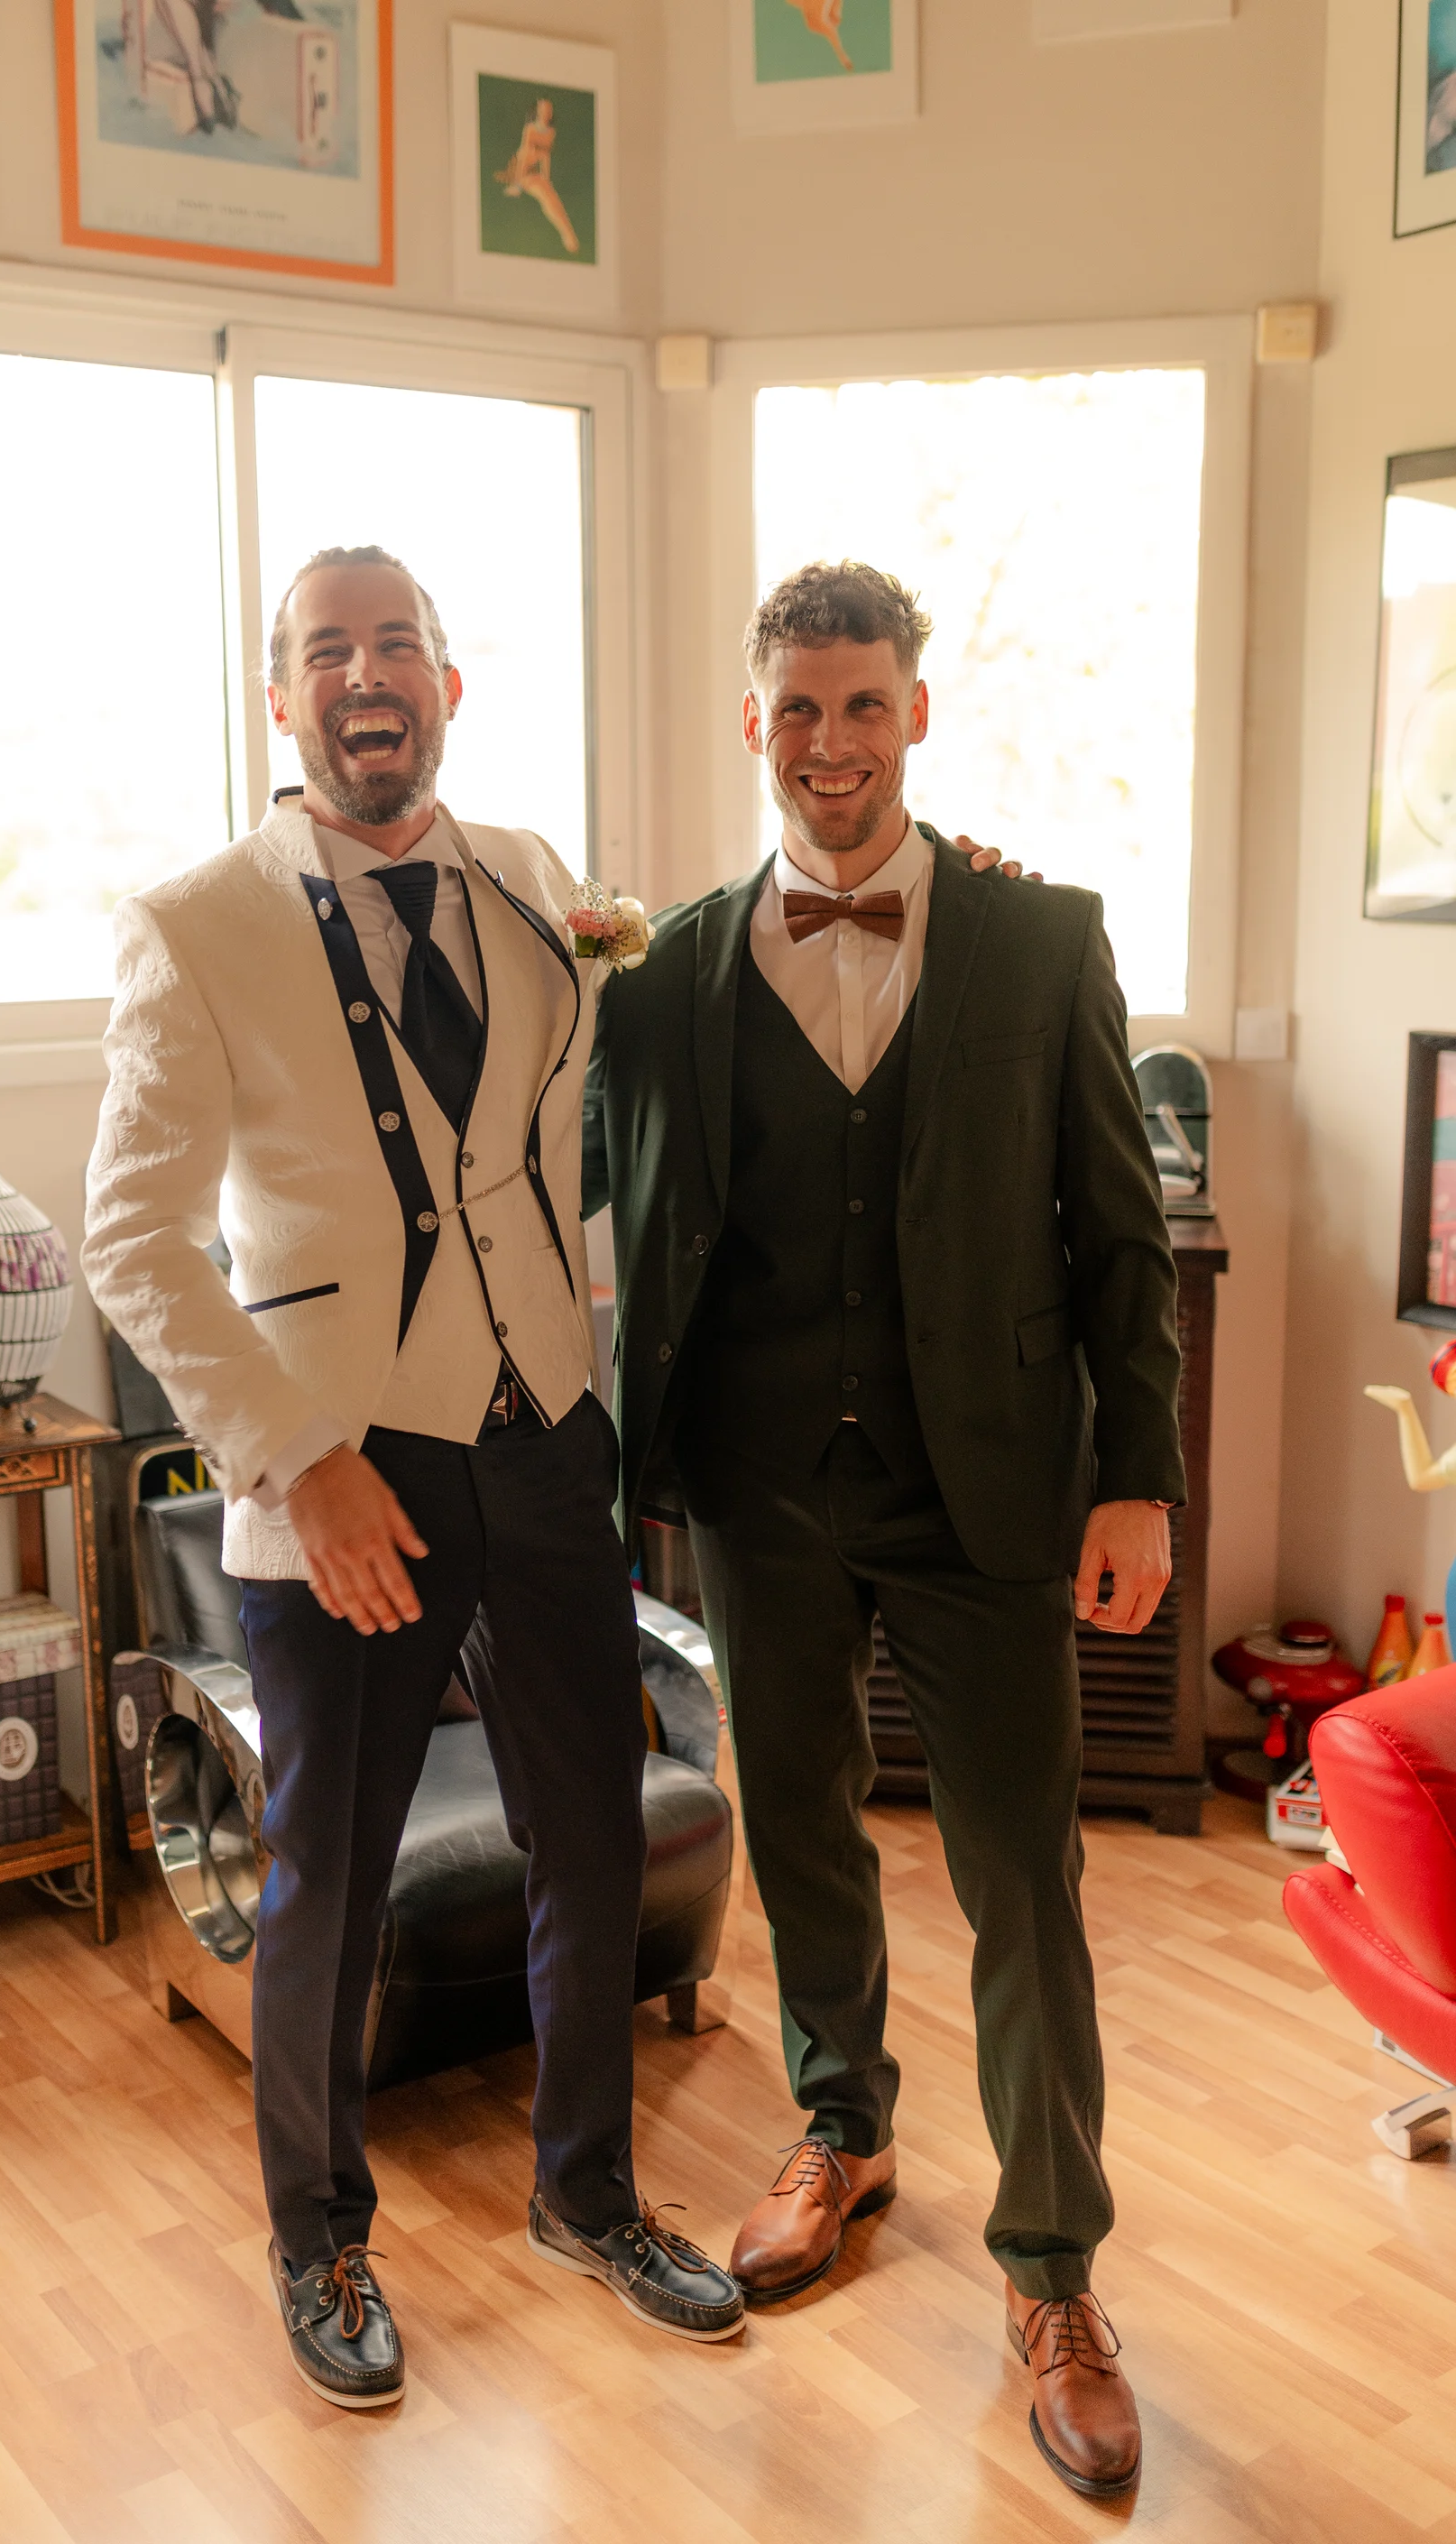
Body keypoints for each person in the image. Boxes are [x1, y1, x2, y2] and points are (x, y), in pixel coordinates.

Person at [82, 543, 749, 2410]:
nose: (364, 677)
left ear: (448, 684)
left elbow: (601, 1095)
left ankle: (590, 2195)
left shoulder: (539, 885)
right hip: (338, 1476)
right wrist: (297, 1458)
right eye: (324, 652)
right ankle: (319, 2244)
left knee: (596, 1827)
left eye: (398, 645)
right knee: (329, 1879)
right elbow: (131, 1239)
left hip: (548, 1437)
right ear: (278, 700)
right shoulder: (193, 923)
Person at [583, 559, 1184, 2503]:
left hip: (988, 1482)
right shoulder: (666, 972)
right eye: (795, 709)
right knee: (805, 1837)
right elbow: (568, 1176)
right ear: (748, 721)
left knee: (1025, 1881)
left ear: (913, 713)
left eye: (862, 705)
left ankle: (1055, 2272)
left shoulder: (1038, 938)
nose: (828, 744)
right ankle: (838, 2131)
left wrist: (1138, 1475)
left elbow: (1122, 1237)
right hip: (759, 1488)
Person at [494, 98, 581, 254]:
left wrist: (546, 177)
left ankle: (568, 233)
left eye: (549, 110)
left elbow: (545, 156)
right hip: (520, 171)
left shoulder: (550, 133)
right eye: (543, 109)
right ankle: (567, 234)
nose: (546, 113)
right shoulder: (530, 130)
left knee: (551, 194)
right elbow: (524, 155)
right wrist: (517, 184)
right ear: (537, 112)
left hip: (535, 172)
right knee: (544, 195)